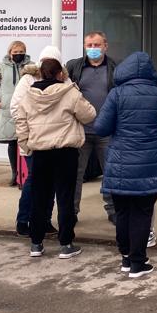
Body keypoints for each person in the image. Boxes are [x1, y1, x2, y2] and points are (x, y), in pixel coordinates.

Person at [92, 52, 157, 279]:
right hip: (150, 164)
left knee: (122, 212)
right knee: (142, 213)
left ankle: (126, 259)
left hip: (121, 163)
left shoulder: (116, 94)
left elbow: (100, 128)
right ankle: (139, 263)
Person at [14, 58, 96, 259]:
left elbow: (21, 122)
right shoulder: (70, 93)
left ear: (41, 74)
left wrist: (27, 146)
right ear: (60, 74)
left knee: (39, 198)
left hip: (40, 153)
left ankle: (36, 243)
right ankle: (66, 244)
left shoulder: (29, 95)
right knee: (65, 198)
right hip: (65, 152)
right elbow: (90, 115)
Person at [65, 31, 118, 223]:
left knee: (111, 172)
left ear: (105, 46)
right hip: (80, 131)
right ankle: (71, 212)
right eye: (89, 45)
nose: (93, 49)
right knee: (75, 174)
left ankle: (113, 210)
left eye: (97, 45)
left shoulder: (114, 68)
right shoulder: (73, 66)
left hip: (106, 131)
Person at [9, 45, 61, 237]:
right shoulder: (28, 80)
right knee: (34, 181)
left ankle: (45, 221)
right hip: (34, 141)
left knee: (51, 183)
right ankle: (23, 220)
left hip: (53, 141)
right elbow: (16, 109)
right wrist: (28, 135)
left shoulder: (62, 80)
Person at [0, 40, 30, 187]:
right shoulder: (0, 67)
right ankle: (15, 173)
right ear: (9, 53)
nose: (18, 54)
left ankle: (27, 174)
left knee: (27, 143)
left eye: (21, 52)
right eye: (15, 52)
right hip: (7, 111)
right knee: (12, 143)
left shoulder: (32, 67)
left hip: (28, 110)